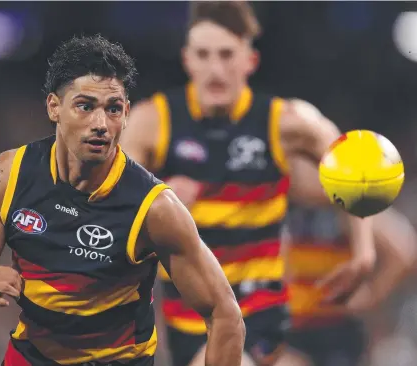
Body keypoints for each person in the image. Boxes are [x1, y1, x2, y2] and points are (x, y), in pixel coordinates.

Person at [0, 34, 246, 366]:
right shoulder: (7, 176)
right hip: (31, 357)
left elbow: (225, 315)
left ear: (127, 113)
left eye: (113, 108)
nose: (100, 124)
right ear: (54, 107)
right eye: (85, 106)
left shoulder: (154, 209)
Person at [120, 2, 377, 365]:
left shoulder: (284, 122)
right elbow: (104, 204)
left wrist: (363, 252)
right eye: (204, 55)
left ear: (249, 61)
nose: (215, 69)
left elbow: (353, 168)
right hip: (191, 314)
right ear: (187, 60)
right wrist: (155, 200)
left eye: (226, 55)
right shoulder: (153, 122)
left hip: (261, 309)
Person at [278, 158, 417, 366]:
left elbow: (403, 251)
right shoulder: (280, 206)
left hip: (337, 331)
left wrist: (371, 295)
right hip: (289, 330)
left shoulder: (347, 210)